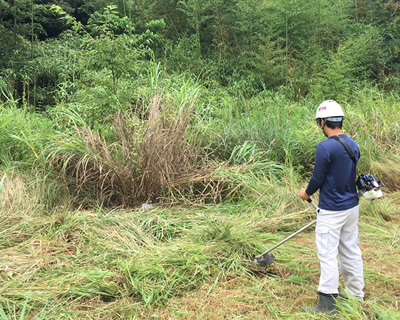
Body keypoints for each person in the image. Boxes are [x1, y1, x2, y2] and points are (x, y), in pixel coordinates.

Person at [298, 100, 364, 314]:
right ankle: (355, 293)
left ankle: (327, 303)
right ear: (340, 120)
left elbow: (318, 178)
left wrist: (306, 193)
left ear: (323, 122)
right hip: (351, 207)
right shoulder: (352, 144)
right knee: (350, 249)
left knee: (327, 253)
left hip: (332, 210)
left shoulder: (325, 147)